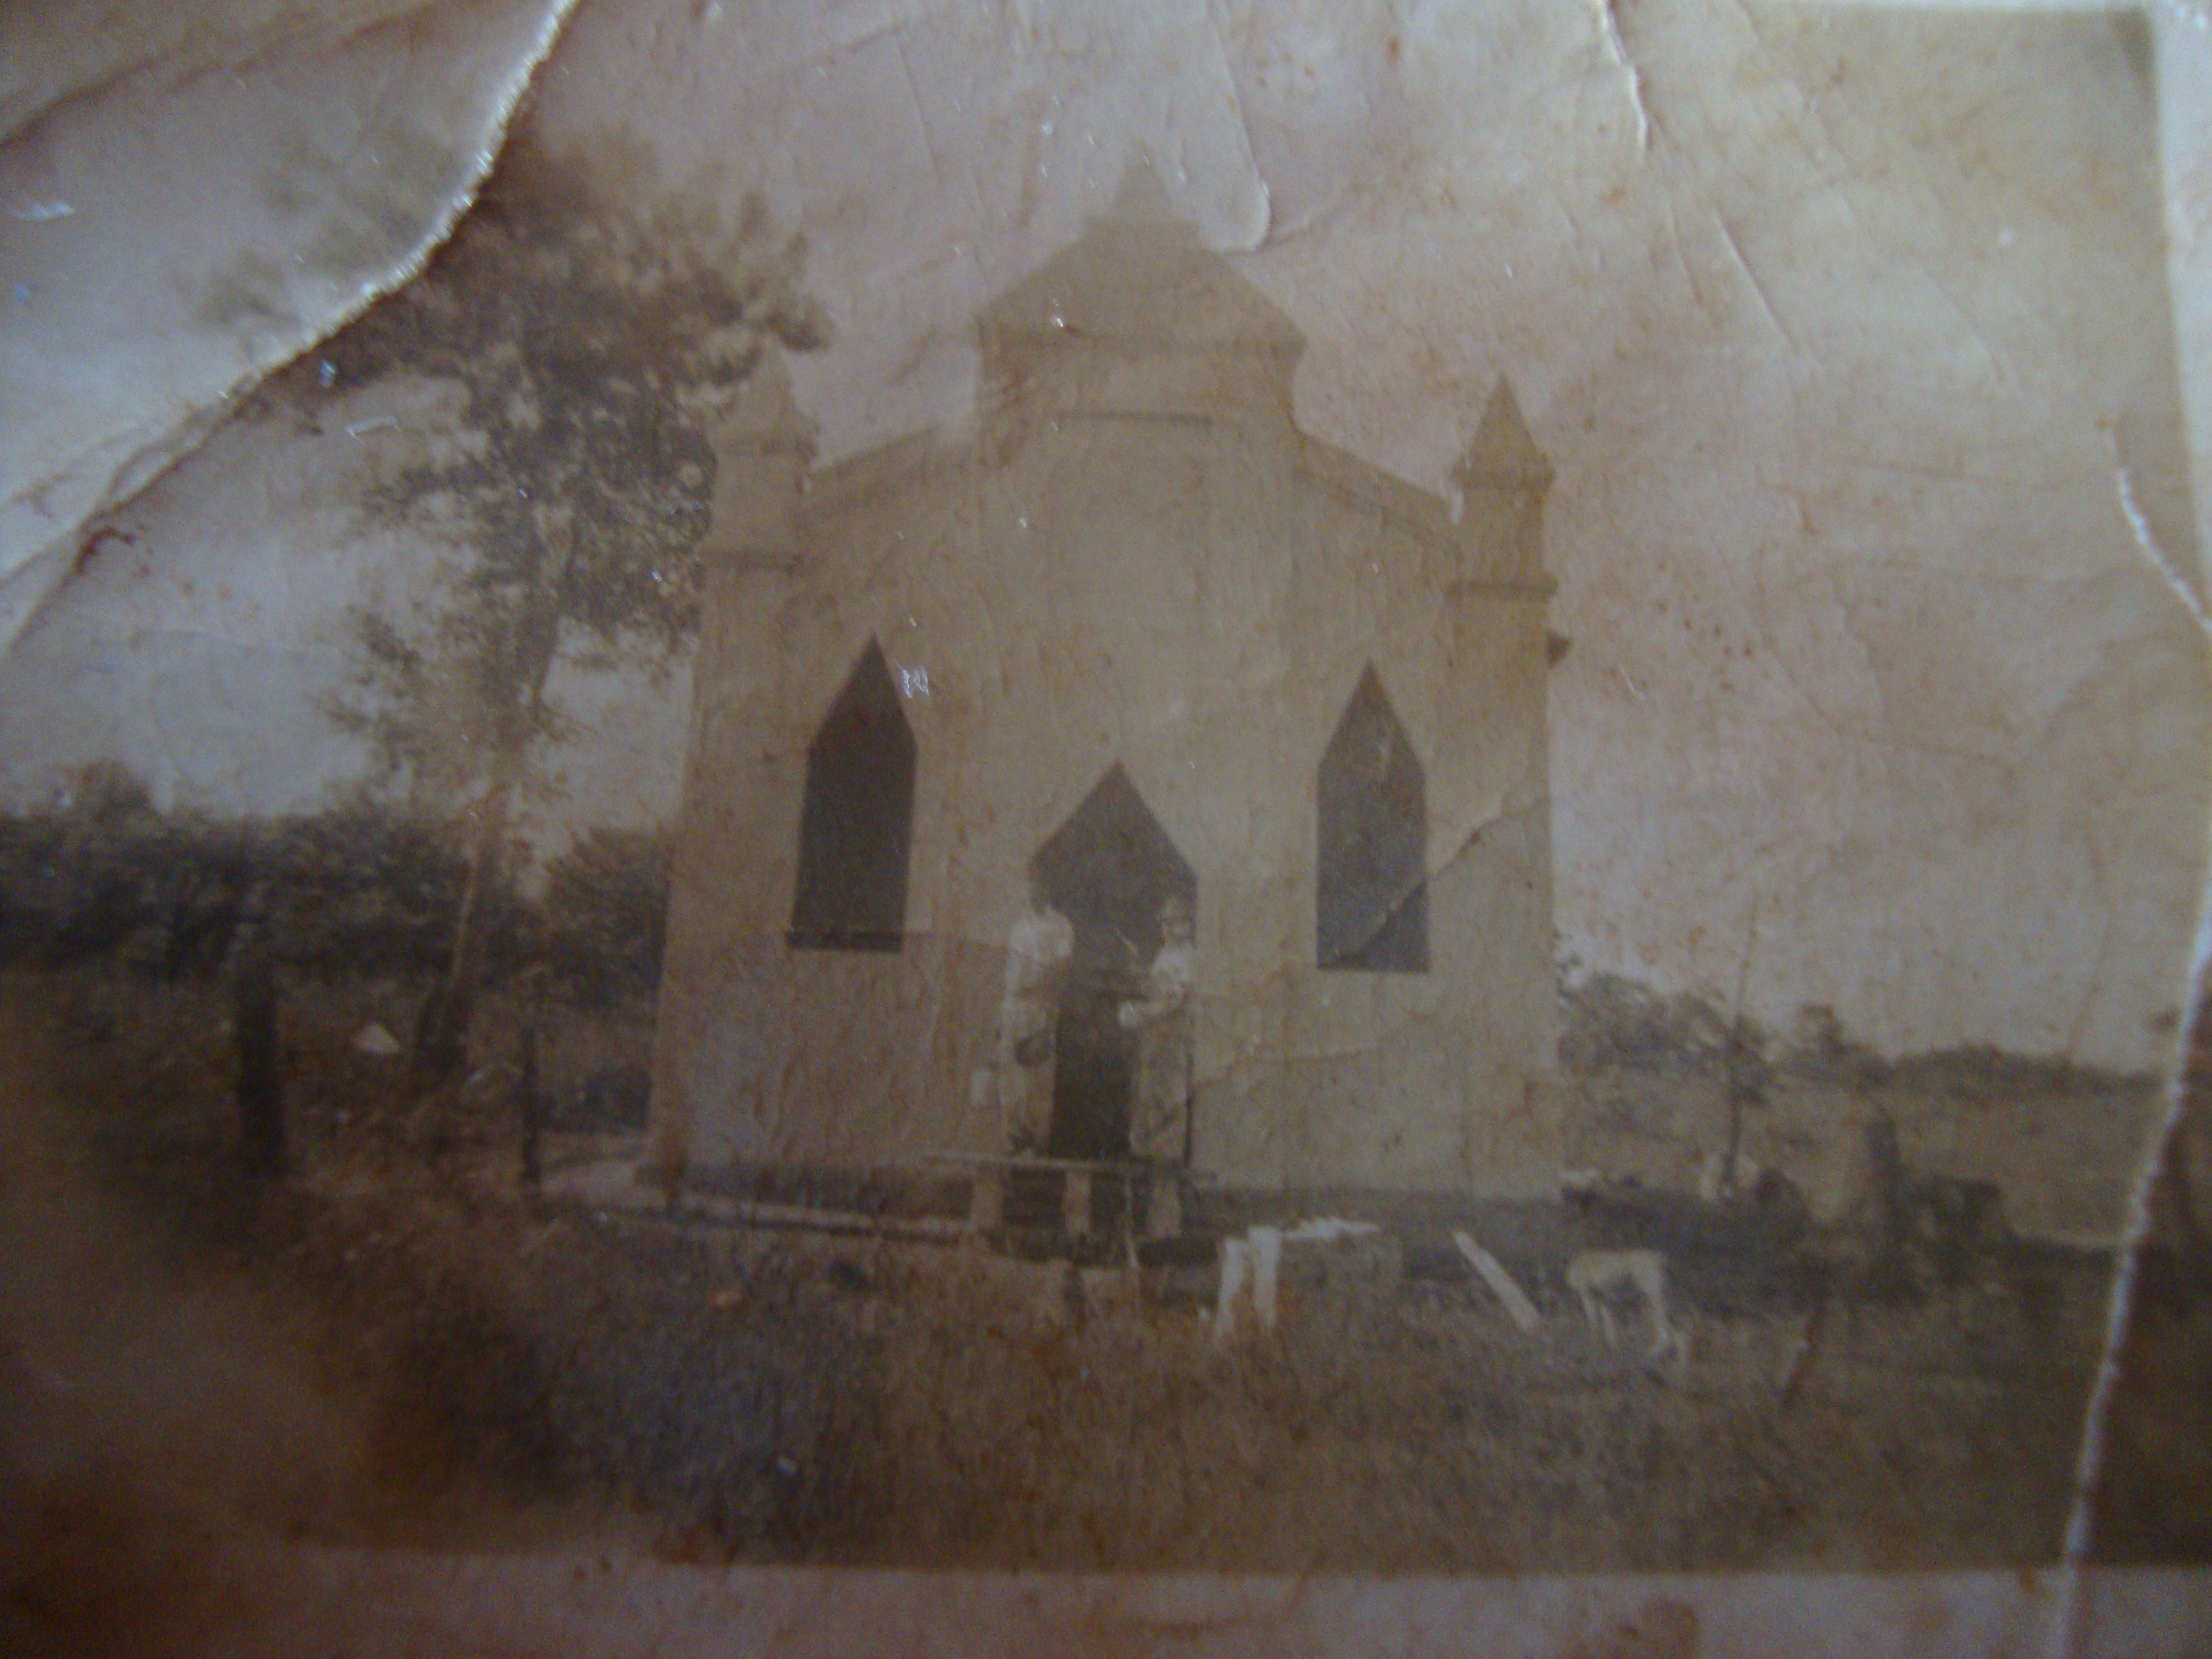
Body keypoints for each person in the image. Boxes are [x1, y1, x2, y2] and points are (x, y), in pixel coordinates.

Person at [996, 870, 1073, 1155]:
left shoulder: (1060, 926)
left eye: (1036, 886)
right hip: (1013, 1006)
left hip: (1039, 1005)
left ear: (1046, 888)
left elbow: (1061, 969)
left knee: (1037, 1078)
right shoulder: (1019, 926)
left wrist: (1049, 1011)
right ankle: (1012, 1146)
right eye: (1027, 887)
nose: (1030, 893)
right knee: (1011, 1078)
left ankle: (1036, 1148)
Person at [1120, 893, 1196, 1164]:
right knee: (1148, 1098)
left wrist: (1144, 1014)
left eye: (1175, 922)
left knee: (1170, 1099)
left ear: (1187, 925)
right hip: (1155, 1039)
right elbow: (1155, 992)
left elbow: (1176, 1002)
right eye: (1165, 923)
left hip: (1174, 1039)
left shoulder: (1189, 958)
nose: (1169, 928)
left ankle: (1167, 1161)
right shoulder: (1164, 955)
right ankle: (1147, 1157)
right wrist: (1137, 971)